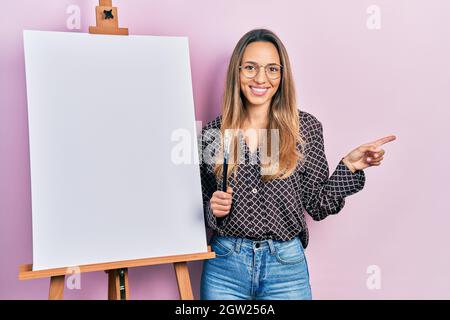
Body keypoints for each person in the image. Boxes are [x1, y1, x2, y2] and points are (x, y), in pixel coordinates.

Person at [198, 29, 396, 300]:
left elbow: (317, 204)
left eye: (271, 69)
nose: (260, 78)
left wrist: (349, 167)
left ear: (282, 75)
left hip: (286, 271)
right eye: (250, 68)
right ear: (237, 72)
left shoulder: (305, 129)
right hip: (224, 268)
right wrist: (211, 208)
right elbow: (198, 204)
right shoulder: (213, 133)